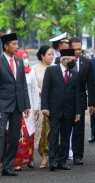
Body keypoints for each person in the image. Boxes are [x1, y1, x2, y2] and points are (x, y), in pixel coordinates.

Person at [41, 49, 80, 171]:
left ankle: (62, 161)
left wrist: (78, 112)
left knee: (65, 136)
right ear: (63, 60)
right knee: (53, 136)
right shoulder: (51, 70)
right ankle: (53, 161)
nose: (71, 62)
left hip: (69, 110)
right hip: (54, 110)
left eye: (72, 60)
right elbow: (45, 90)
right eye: (69, 60)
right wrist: (45, 107)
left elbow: (77, 94)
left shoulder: (74, 73)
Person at [0, 33, 30, 176]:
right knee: (1, 135)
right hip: (2, 105)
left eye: (17, 44)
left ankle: (8, 166)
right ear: (5, 46)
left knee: (13, 136)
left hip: (18, 105)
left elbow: (23, 85)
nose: (17, 47)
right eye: (14, 44)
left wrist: (26, 105)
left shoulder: (19, 62)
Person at [68, 37, 95, 165]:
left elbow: (91, 84)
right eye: (75, 49)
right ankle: (63, 154)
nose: (78, 51)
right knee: (65, 129)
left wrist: (91, 103)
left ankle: (78, 155)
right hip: (66, 100)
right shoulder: (62, 61)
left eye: (80, 49)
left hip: (81, 99)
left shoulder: (87, 62)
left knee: (79, 129)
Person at [13, 50, 40, 171]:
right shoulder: (14, 71)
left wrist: (36, 108)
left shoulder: (31, 72)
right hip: (17, 107)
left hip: (30, 107)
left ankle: (29, 159)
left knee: (30, 134)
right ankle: (17, 160)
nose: (25, 59)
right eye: (23, 57)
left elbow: (34, 90)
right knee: (19, 134)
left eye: (26, 57)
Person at [32, 45, 54, 169]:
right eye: (49, 54)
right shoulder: (34, 69)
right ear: (42, 55)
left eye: (52, 54)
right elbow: (33, 87)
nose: (52, 56)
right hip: (39, 103)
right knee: (41, 132)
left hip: (54, 104)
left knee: (53, 131)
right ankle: (44, 156)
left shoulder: (55, 68)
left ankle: (53, 155)